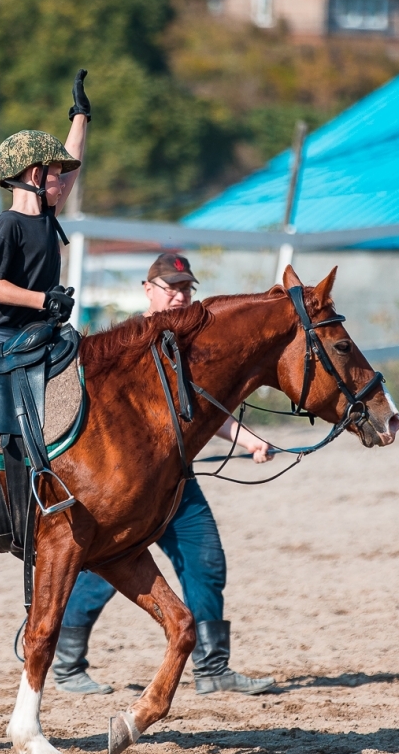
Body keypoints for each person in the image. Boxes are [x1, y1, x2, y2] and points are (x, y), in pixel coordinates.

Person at [52, 253, 277, 696]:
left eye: (186, 288)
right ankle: (65, 662)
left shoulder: (194, 347)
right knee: (103, 570)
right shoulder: (127, 343)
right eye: (170, 287)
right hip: (125, 482)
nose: (179, 295)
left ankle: (212, 667)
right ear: (147, 289)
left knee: (205, 558)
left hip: (176, 482)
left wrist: (248, 440)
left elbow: (205, 406)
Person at [0, 70, 91, 344]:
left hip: (37, 336)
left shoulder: (47, 217)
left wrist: (80, 115)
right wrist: (45, 300)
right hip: (3, 342)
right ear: (36, 177)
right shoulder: (9, 224)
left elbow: (74, 164)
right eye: (56, 175)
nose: (63, 184)